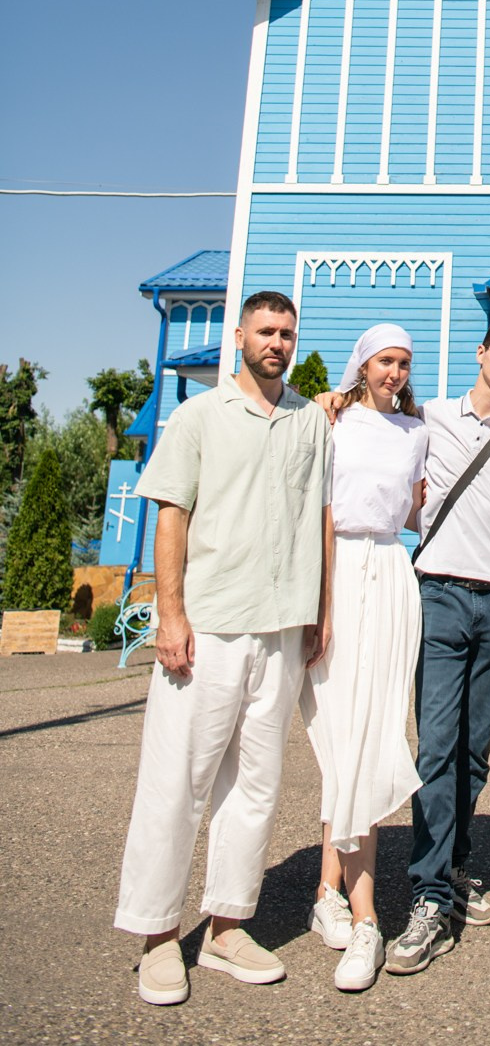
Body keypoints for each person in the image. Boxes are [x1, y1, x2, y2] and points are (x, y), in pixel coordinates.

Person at [114, 292, 332, 1008]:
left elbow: (319, 519)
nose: (277, 343)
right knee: (177, 783)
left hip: (281, 630)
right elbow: (171, 515)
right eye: (266, 331)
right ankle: (156, 936)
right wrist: (170, 615)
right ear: (239, 336)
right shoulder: (198, 417)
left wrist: (319, 612)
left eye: (287, 334)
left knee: (257, 788)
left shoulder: (308, 421)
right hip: (207, 628)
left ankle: (227, 928)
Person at [384, 319, 490, 975]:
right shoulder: (430, 419)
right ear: (481, 354)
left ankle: (453, 868)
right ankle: (426, 897)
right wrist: (335, 400)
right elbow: (382, 441)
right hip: (439, 595)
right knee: (435, 746)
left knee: (473, 752)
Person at [301, 325, 427, 992]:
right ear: (363, 364)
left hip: (391, 569)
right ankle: (360, 911)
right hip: (339, 568)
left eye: (403, 363)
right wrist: (320, 602)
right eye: (385, 361)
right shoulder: (331, 421)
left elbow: (417, 508)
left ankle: (335, 895)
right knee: (340, 732)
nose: (395, 372)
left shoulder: (415, 432)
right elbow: (316, 508)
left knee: (375, 730)